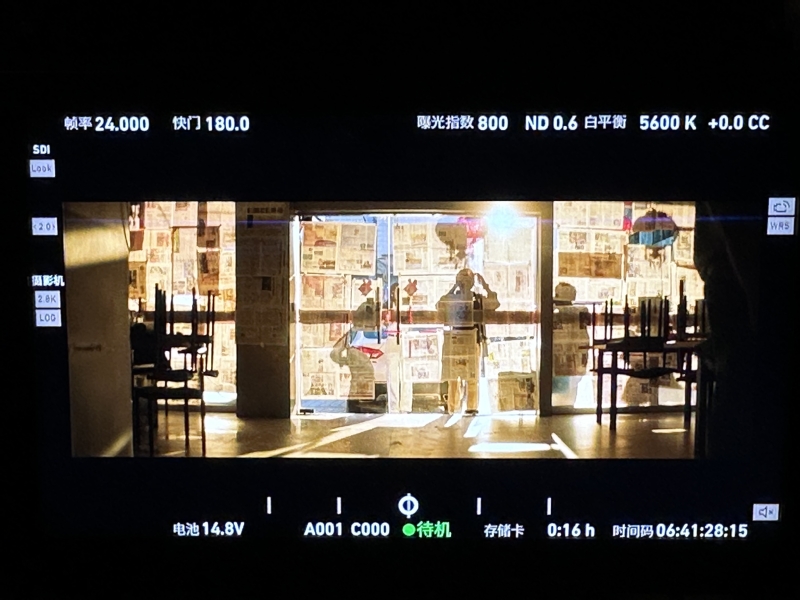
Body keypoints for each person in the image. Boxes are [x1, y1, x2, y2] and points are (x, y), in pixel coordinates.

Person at [436, 268, 499, 415]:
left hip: (473, 340)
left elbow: (494, 303)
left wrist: (485, 286)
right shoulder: (453, 298)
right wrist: (454, 288)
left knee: (472, 375)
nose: (465, 283)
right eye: (462, 280)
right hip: (455, 340)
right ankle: (453, 406)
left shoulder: (478, 299)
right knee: (453, 376)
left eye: (467, 280)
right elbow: (439, 305)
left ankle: (471, 407)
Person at [330, 301, 377, 413]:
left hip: (357, 387)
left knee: (354, 413)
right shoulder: (381, 333)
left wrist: (347, 361)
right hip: (374, 385)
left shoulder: (353, 333)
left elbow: (334, 353)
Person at [552, 282, 590, 406]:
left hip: (570, 366)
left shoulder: (575, 313)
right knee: (564, 395)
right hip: (566, 366)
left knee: (565, 396)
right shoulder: (578, 313)